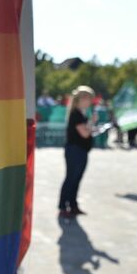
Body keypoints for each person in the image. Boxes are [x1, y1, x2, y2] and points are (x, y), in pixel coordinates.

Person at [58, 85, 95, 217]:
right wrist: (91, 123)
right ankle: (63, 207)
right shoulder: (76, 114)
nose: (91, 102)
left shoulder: (81, 114)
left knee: (76, 179)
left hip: (80, 150)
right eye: (89, 98)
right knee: (71, 179)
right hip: (75, 151)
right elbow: (84, 133)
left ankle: (72, 205)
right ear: (82, 99)